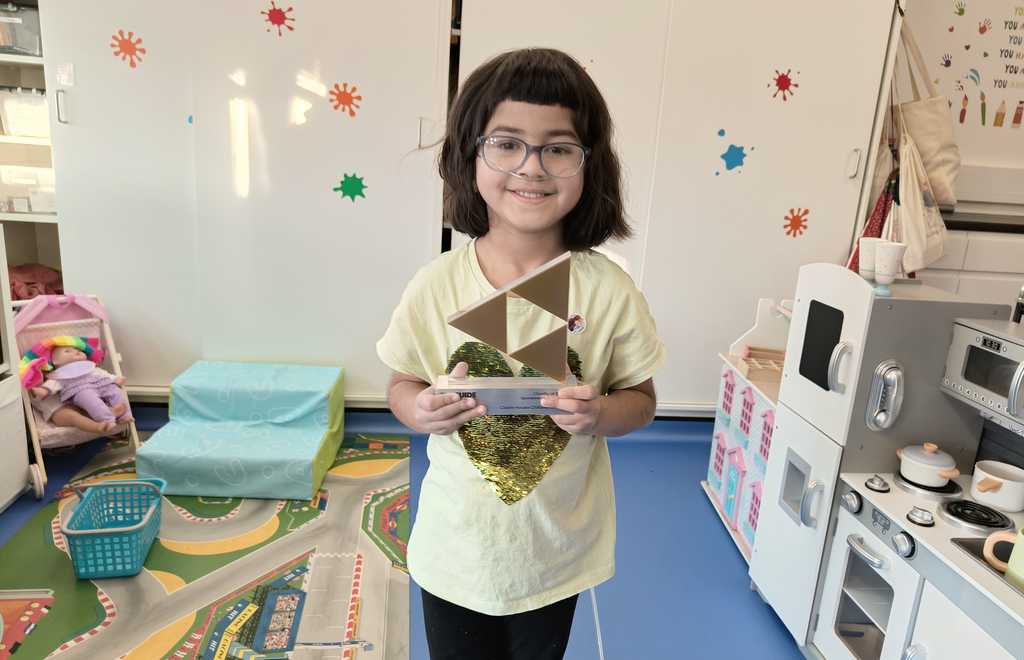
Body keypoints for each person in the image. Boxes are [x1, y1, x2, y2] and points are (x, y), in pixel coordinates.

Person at [377, 48, 666, 659]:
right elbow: (401, 384)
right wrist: (420, 409)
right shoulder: (436, 286)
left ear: (590, 165)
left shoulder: (608, 290)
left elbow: (640, 401)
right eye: (506, 144)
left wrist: (598, 414)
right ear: (469, 155)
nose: (531, 167)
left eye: (558, 148)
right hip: (455, 547)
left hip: (554, 554)